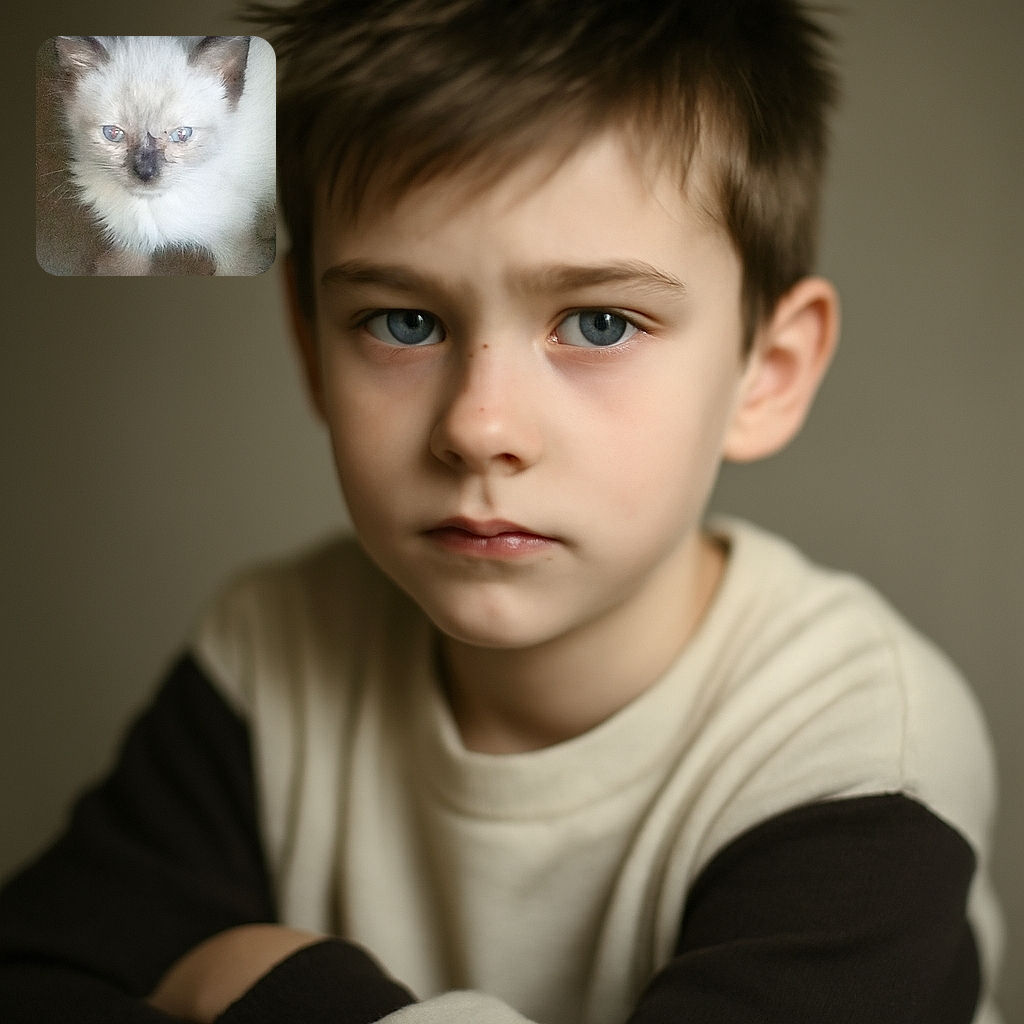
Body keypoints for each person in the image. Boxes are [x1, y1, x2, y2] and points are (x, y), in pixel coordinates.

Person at [0, 1, 1004, 1021]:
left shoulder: (862, 758)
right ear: (309, 345)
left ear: (767, 373)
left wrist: (269, 986)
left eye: (600, 323)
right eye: (403, 320)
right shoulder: (270, 657)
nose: (479, 429)